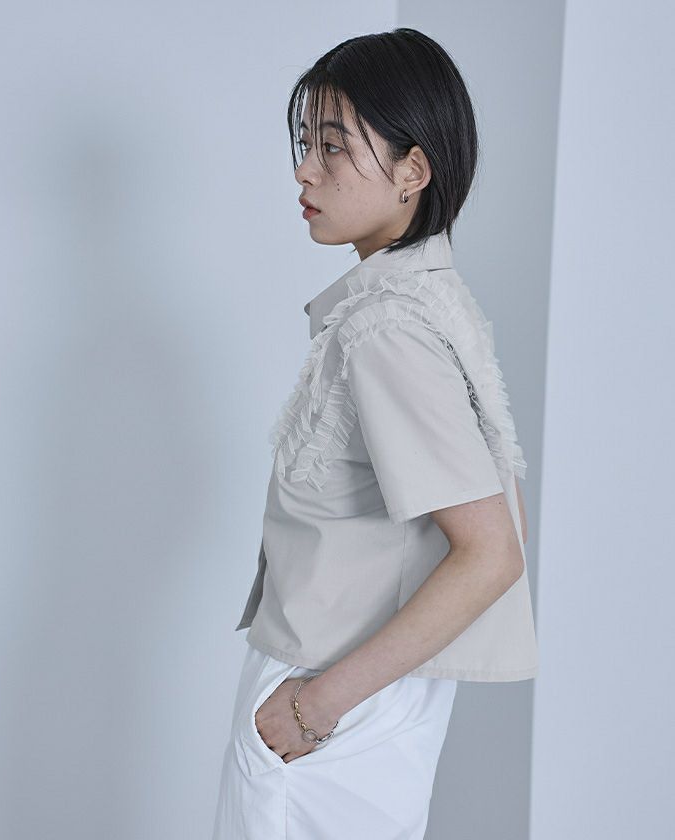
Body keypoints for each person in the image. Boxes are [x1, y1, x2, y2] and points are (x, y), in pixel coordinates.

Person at [212, 27, 538, 840]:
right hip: (367, 705)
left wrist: (312, 707)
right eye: (304, 142)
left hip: (328, 704)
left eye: (332, 146)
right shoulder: (433, 303)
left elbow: (491, 553)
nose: (304, 170)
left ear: (412, 171)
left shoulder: (385, 330)